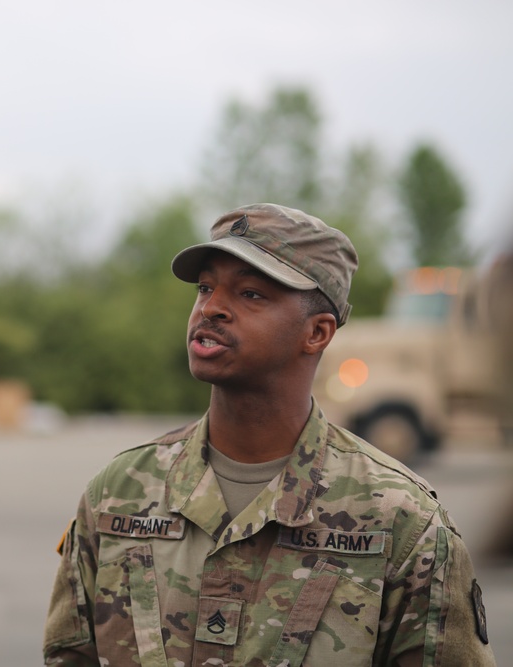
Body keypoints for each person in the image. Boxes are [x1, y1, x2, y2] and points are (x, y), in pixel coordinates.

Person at [42, 203, 495, 666]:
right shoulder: (117, 495)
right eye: (205, 287)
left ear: (317, 333)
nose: (211, 308)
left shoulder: (402, 521)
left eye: (251, 294)